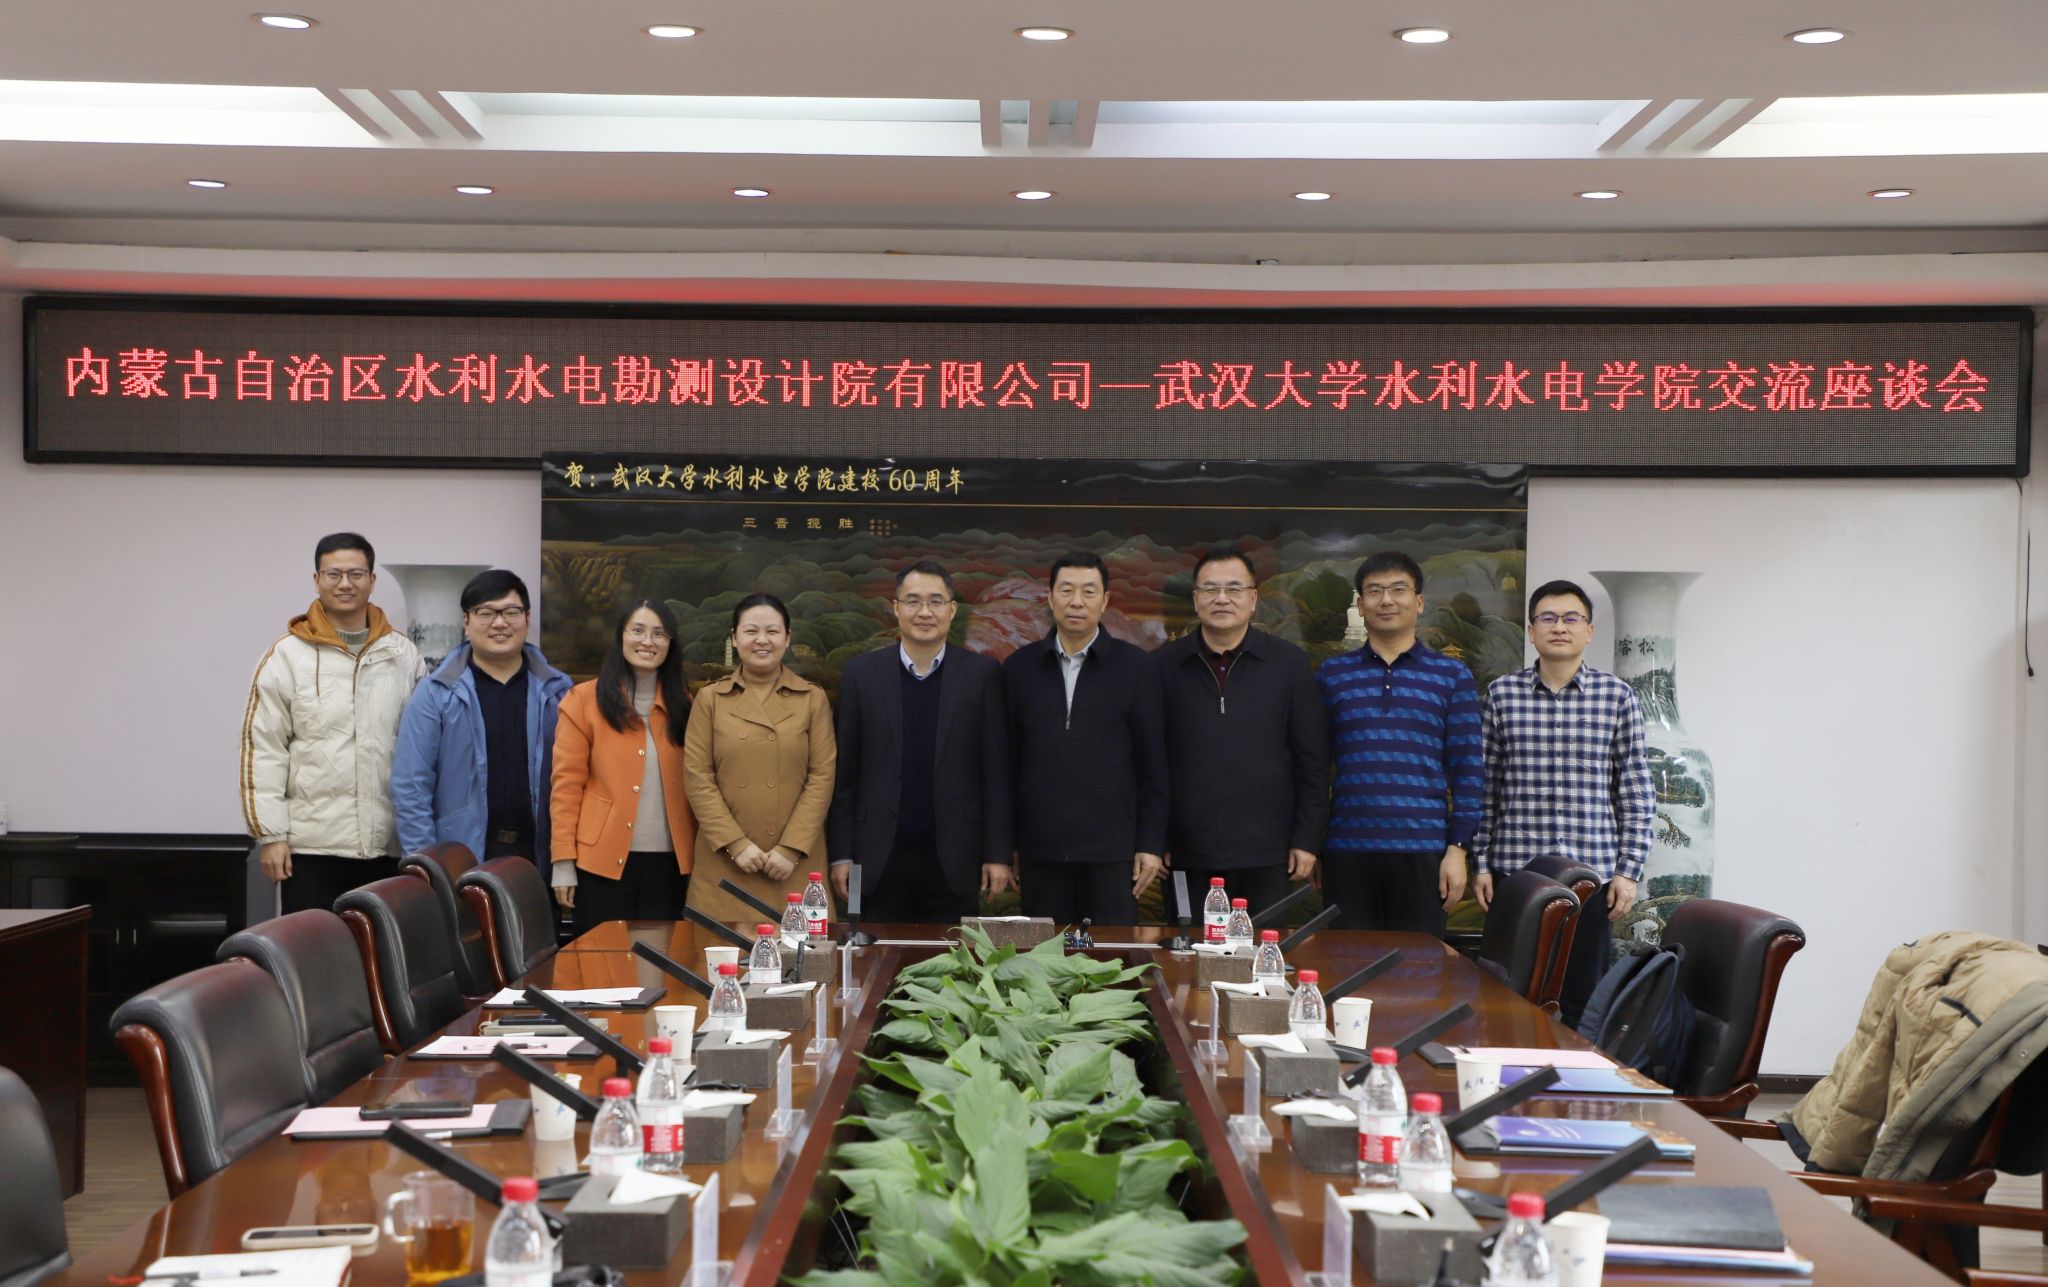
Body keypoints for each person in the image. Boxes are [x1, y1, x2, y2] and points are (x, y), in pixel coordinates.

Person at [1472, 579, 1654, 1024]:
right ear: (1531, 630)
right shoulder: (1502, 695)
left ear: (1588, 630)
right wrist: (1480, 863)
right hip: (1517, 875)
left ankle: (1574, 1070)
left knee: (1581, 999)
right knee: (1510, 996)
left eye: (1571, 618)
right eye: (1548, 618)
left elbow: (1635, 791)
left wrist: (1628, 872)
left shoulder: (1617, 697)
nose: (1559, 627)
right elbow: (1485, 788)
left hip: (1593, 877)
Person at [241, 532, 424, 915]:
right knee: (311, 948)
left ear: (372, 580)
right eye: (334, 574)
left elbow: (423, 749)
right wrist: (270, 836)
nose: (345, 584)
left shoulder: (403, 655)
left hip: (387, 846)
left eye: (356, 574)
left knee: (382, 950)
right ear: (317, 580)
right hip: (311, 848)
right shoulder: (287, 655)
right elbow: (264, 749)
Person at [828, 561, 1012, 922]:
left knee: (953, 955)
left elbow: (996, 773)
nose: (924, 612)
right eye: (913, 601)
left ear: (952, 610)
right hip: (875, 856)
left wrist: (997, 854)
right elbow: (845, 774)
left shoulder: (981, 675)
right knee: (873, 954)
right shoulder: (860, 675)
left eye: (935, 601)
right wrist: (841, 853)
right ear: (896, 608)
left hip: (956, 856)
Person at [1315, 551, 1483, 937]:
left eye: (1398, 589)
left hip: (1424, 852)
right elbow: (1316, 766)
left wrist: (1458, 849)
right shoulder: (1332, 675)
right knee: (1347, 963)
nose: (1386, 600)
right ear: (1360, 605)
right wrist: (1315, 844)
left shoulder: (1452, 675)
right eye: (1374, 591)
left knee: (1419, 966)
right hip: (1346, 851)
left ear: (1419, 602)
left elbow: (1468, 769)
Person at [1155, 545, 1328, 917]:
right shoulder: (1162, 666)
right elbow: (1149, 759)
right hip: (1185, 851)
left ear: (1252, 599)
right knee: (1190, 948)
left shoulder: (1288, 664)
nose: (1222, 598)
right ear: (1196, 599)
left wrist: (1306, 838)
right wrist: (1155, 838)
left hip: (1268, 852)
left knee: (1262, 946)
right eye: (1210, 589)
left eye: (1234, 589)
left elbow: (1311, 760)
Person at [1002, 551, 1167, 925]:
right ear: (1050, 597)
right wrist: (1005, 844)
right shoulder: (1020, 668)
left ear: (1105, 600)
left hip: (1112, 853)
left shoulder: (1137, 667)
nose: (1077, 602)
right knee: (1045, 953)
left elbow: (1153, 764)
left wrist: (1150, 844)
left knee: (1109, 951)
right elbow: (1005, 765)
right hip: (1040, 850)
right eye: (1066, 590)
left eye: (1089, 592)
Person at [391, 570, 572, 869]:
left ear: (527, 619)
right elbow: (411, 788)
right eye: (486, 613)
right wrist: (428, 867)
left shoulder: (558, 692)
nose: (499, 623)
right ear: (466, 621)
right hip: (460, 859)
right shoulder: (436, 693)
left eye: (511, 612)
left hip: (541, 858)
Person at [682, 594, 836, 923]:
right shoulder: (710, 699)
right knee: (719, 953)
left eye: (772, 631)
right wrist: (735, 844)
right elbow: (697, 777)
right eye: (751, 631)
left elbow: (822, 778)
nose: (762, 640)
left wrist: (790, 848)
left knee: (802, 953)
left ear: (787, 638)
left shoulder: (812, 699)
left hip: (794, 864)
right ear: (734, 638)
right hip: (726, 861)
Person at [549, 599, 698, 933]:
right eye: (638, 630)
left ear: (670, 644)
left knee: (659, 959)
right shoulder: (583, 701)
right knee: (604, 960)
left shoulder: (684, 705)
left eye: (659, 633)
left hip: (669, 866)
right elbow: (566, 788)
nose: (648, 641)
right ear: (621, 637)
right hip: (600, 863)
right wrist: (563, 863)